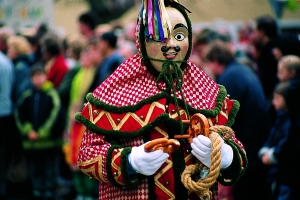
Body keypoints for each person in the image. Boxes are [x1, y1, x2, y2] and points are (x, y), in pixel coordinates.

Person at [76, 1, 247, 200]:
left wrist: (226, 156)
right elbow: (86, 155)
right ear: (141, 40)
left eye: (179, 36)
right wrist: (129, 161)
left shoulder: (206, 88)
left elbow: (238, 152)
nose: (171, 45)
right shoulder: (115, 87)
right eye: (159, 37)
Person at [204, 40, 272, 200]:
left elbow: (224, 114)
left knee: (247, 188)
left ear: (215, 60)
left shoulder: (230, 76)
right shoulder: (240, 69)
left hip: (249, 138)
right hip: (258, 134)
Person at [58, 36, 102, 200]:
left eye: (88, 55)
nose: (84, 59)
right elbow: (72, 99)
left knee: (84, 155)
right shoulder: (79, 74)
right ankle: (80, 192)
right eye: (83, 56)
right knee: (73, 156)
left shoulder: (92, 74)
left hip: (84, 122)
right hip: (74, 121)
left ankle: (87, 192)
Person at [14, 65, 64, 199]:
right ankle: (37, 190)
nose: (38, 80)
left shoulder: (52, 94)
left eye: (40, 76)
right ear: (31, 79)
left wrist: (41, 133)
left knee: (49, 167)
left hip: (48, 143)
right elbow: (19, 114)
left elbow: (55, 114)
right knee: (34, 168)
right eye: (35, 77)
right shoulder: (27, 95)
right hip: (31, 143)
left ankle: (49, 191)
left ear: (45, 76)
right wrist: (28, 130)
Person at [258, 81, 292, 200]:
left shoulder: (290, 122)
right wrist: (265, 150)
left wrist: (272, 155)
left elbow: (286, 145)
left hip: (284, 174)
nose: (273, 102)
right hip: (276, 173)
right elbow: (271, 138)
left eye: (277, 98)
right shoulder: (279, 117)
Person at [6, 35, 34, 104]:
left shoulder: (20, 67)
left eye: (10, 49)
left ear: (17, 51)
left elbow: (19, 89)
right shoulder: (19, 64)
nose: (8, 52)